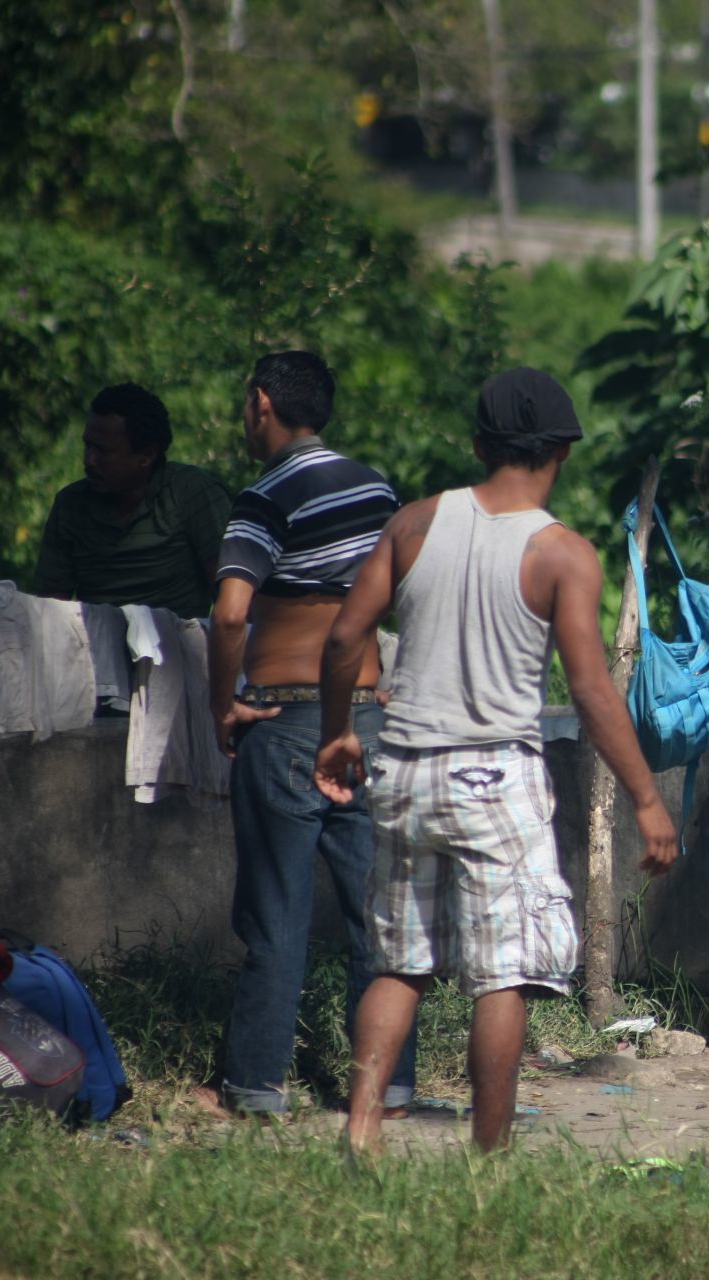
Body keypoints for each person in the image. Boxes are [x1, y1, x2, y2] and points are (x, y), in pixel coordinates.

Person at [317, 368, 679, 1156]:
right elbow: (589, 688)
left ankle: (362, 1122)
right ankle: (490, 1156)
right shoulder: (562, 553)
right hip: (494, 775)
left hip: (404, 765)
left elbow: (345, 638)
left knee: (398, 961)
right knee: (501, 975)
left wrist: (339, 730)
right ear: (562, 452)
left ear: (480, 445)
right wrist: (647, 799)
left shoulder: (412, 525)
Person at [195, 351, 417, 1117]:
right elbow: (397, 598)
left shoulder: (262, 499)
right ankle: (388, 1084)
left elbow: (230, 615)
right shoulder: (377, 488)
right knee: (376, 915)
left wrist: (223, 703)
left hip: (285, 718)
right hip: (365, 718)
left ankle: (257, 1087)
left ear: (262, 404)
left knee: (275, 913)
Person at [35, 383, 232, 617]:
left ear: (146, 455)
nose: (90, 461)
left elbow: (231, 598)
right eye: (87, 446)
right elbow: (50, 611)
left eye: (103, 451)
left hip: (177, 648)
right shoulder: (71, 506)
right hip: (97, 648)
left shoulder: (189, 493)